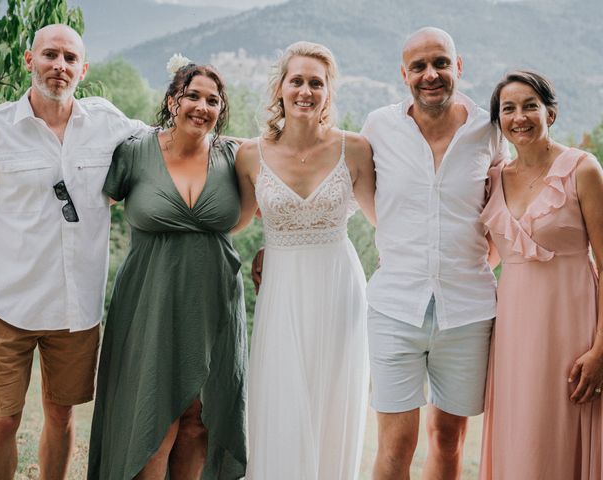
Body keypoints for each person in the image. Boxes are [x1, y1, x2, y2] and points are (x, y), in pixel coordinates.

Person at [0, 24, 146, 478]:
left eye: (69, 59)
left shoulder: (109, 124)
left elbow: (176, 142)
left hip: (76, 308)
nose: (59, 66)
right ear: (30, 60)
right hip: (7, 305)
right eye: (50, 55)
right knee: (3, 420)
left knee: (62, 417)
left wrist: (254, 159)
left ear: (83, 69)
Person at [87, 55, 247, 479]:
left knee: (199, 420)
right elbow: (89, 213)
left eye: (213, 100)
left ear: (221, 110)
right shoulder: (134, 153)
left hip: (215, 302)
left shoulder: (235, 156)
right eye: (192, 95)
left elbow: (282, 191)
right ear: (173, 100)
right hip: (149, 300)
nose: (202, 106)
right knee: (153, 415)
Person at [360, 27, 507, 479]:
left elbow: (503, 206)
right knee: (395, 445)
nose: (431, 74)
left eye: (441, 63)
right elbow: (370, 200)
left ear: (458, 67)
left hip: (467, 310)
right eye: (419, 66)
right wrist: (401, 246)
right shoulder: (379, 127)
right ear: (404, 73)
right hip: (394, 307)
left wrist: (479, 259)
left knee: (447, 440)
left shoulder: (489, 129)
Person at [235, 41, 376, 479]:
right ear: (280, 87)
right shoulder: (248, 155)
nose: (306, 91)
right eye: (297, 80)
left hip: (339, 283)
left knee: (334, 399)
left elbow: (383, 222)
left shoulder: (355, 150)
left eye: (317, 83)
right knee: (281, 396)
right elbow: (233, 223)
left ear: (329, 92)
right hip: (281, 285)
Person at [479, 70, 603, 479]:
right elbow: (486, 254)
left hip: (572, 328)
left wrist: (601, 350)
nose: (519, 117)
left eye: (530, 105)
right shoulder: (495, 178)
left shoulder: (582, 169)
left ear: (551, 112)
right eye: (508, 109)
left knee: (563, 430)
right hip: (514, 332)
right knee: (520, 434)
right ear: (498, 121)